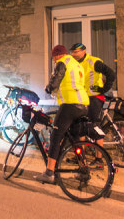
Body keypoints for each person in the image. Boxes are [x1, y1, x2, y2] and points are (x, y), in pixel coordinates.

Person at [34, 45, 89, 184]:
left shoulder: (62, 63)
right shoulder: (77, 65)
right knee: (76, 139)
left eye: (53, 57)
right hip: (83, 105)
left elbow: (55, 81)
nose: (53, 61)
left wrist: (48, 88)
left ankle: (49, 172)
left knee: (55, 136)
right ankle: (84, 170)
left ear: (58, 55)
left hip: (70, 105)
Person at [69, 43, 116, 162]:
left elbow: (111, 74)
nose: (74, 54)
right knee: (81, 126)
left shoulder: (93, 61)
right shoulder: (75, 64)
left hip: (95, 98)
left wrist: (103, 89)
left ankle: (99, 159)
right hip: (83, 98)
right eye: (72, 52)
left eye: (76, 52)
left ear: (83, 51)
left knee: (94, 126)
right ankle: (80, 157)